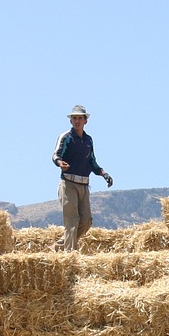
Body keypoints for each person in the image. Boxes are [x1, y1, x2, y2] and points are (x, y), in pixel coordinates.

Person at [51, 104, 112, 251]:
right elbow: (55, 155)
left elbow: (92, 161)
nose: (77, 121)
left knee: (85, 222)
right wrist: (60, 163)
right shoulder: (66, 137)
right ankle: (70, 255)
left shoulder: (89, 141)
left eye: (80, 118)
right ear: (70, 121)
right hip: (68, 183)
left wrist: (104, 173)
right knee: (72, 221)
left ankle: (58, 247)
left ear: (86, 121)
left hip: (84, 185)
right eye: (74, 118)